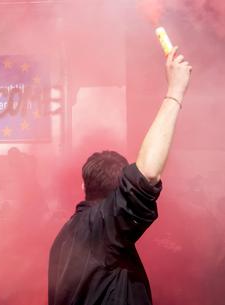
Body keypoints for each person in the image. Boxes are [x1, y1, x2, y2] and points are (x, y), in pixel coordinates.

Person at [48, 46, 192, 305]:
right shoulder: (98, 229)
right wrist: (175, 92)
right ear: (119, 194)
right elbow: (146, 174)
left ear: (84, 185)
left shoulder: (66, 236)